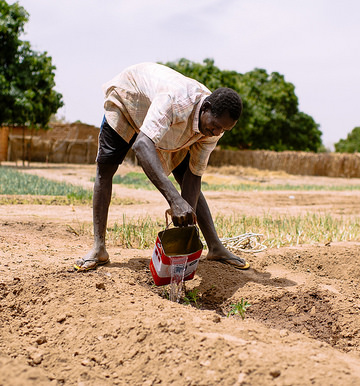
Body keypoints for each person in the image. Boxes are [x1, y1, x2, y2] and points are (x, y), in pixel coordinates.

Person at [74, 62, 249, 272]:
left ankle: (215, 247)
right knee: (106, 168)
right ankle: (99, 248)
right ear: (206, 108)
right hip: (129, 101)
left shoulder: (213, 128)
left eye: (223, 129)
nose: (217, 132)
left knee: (185, 175)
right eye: (216, 126)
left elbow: (194, 175)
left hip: (163, 120)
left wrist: (186, 226)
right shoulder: (176, 100)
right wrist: (175, 200)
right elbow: (141, 145)